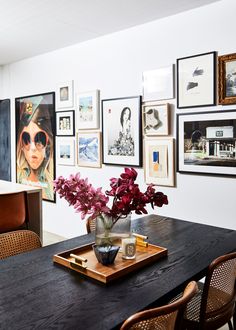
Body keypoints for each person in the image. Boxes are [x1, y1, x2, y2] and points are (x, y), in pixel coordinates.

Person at [16, 95, 54, 201]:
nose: (33, 148)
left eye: (39, 139)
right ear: (21, 145)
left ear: (48, 142)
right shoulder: (17, 176)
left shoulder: (53, 180)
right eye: (26, 139)